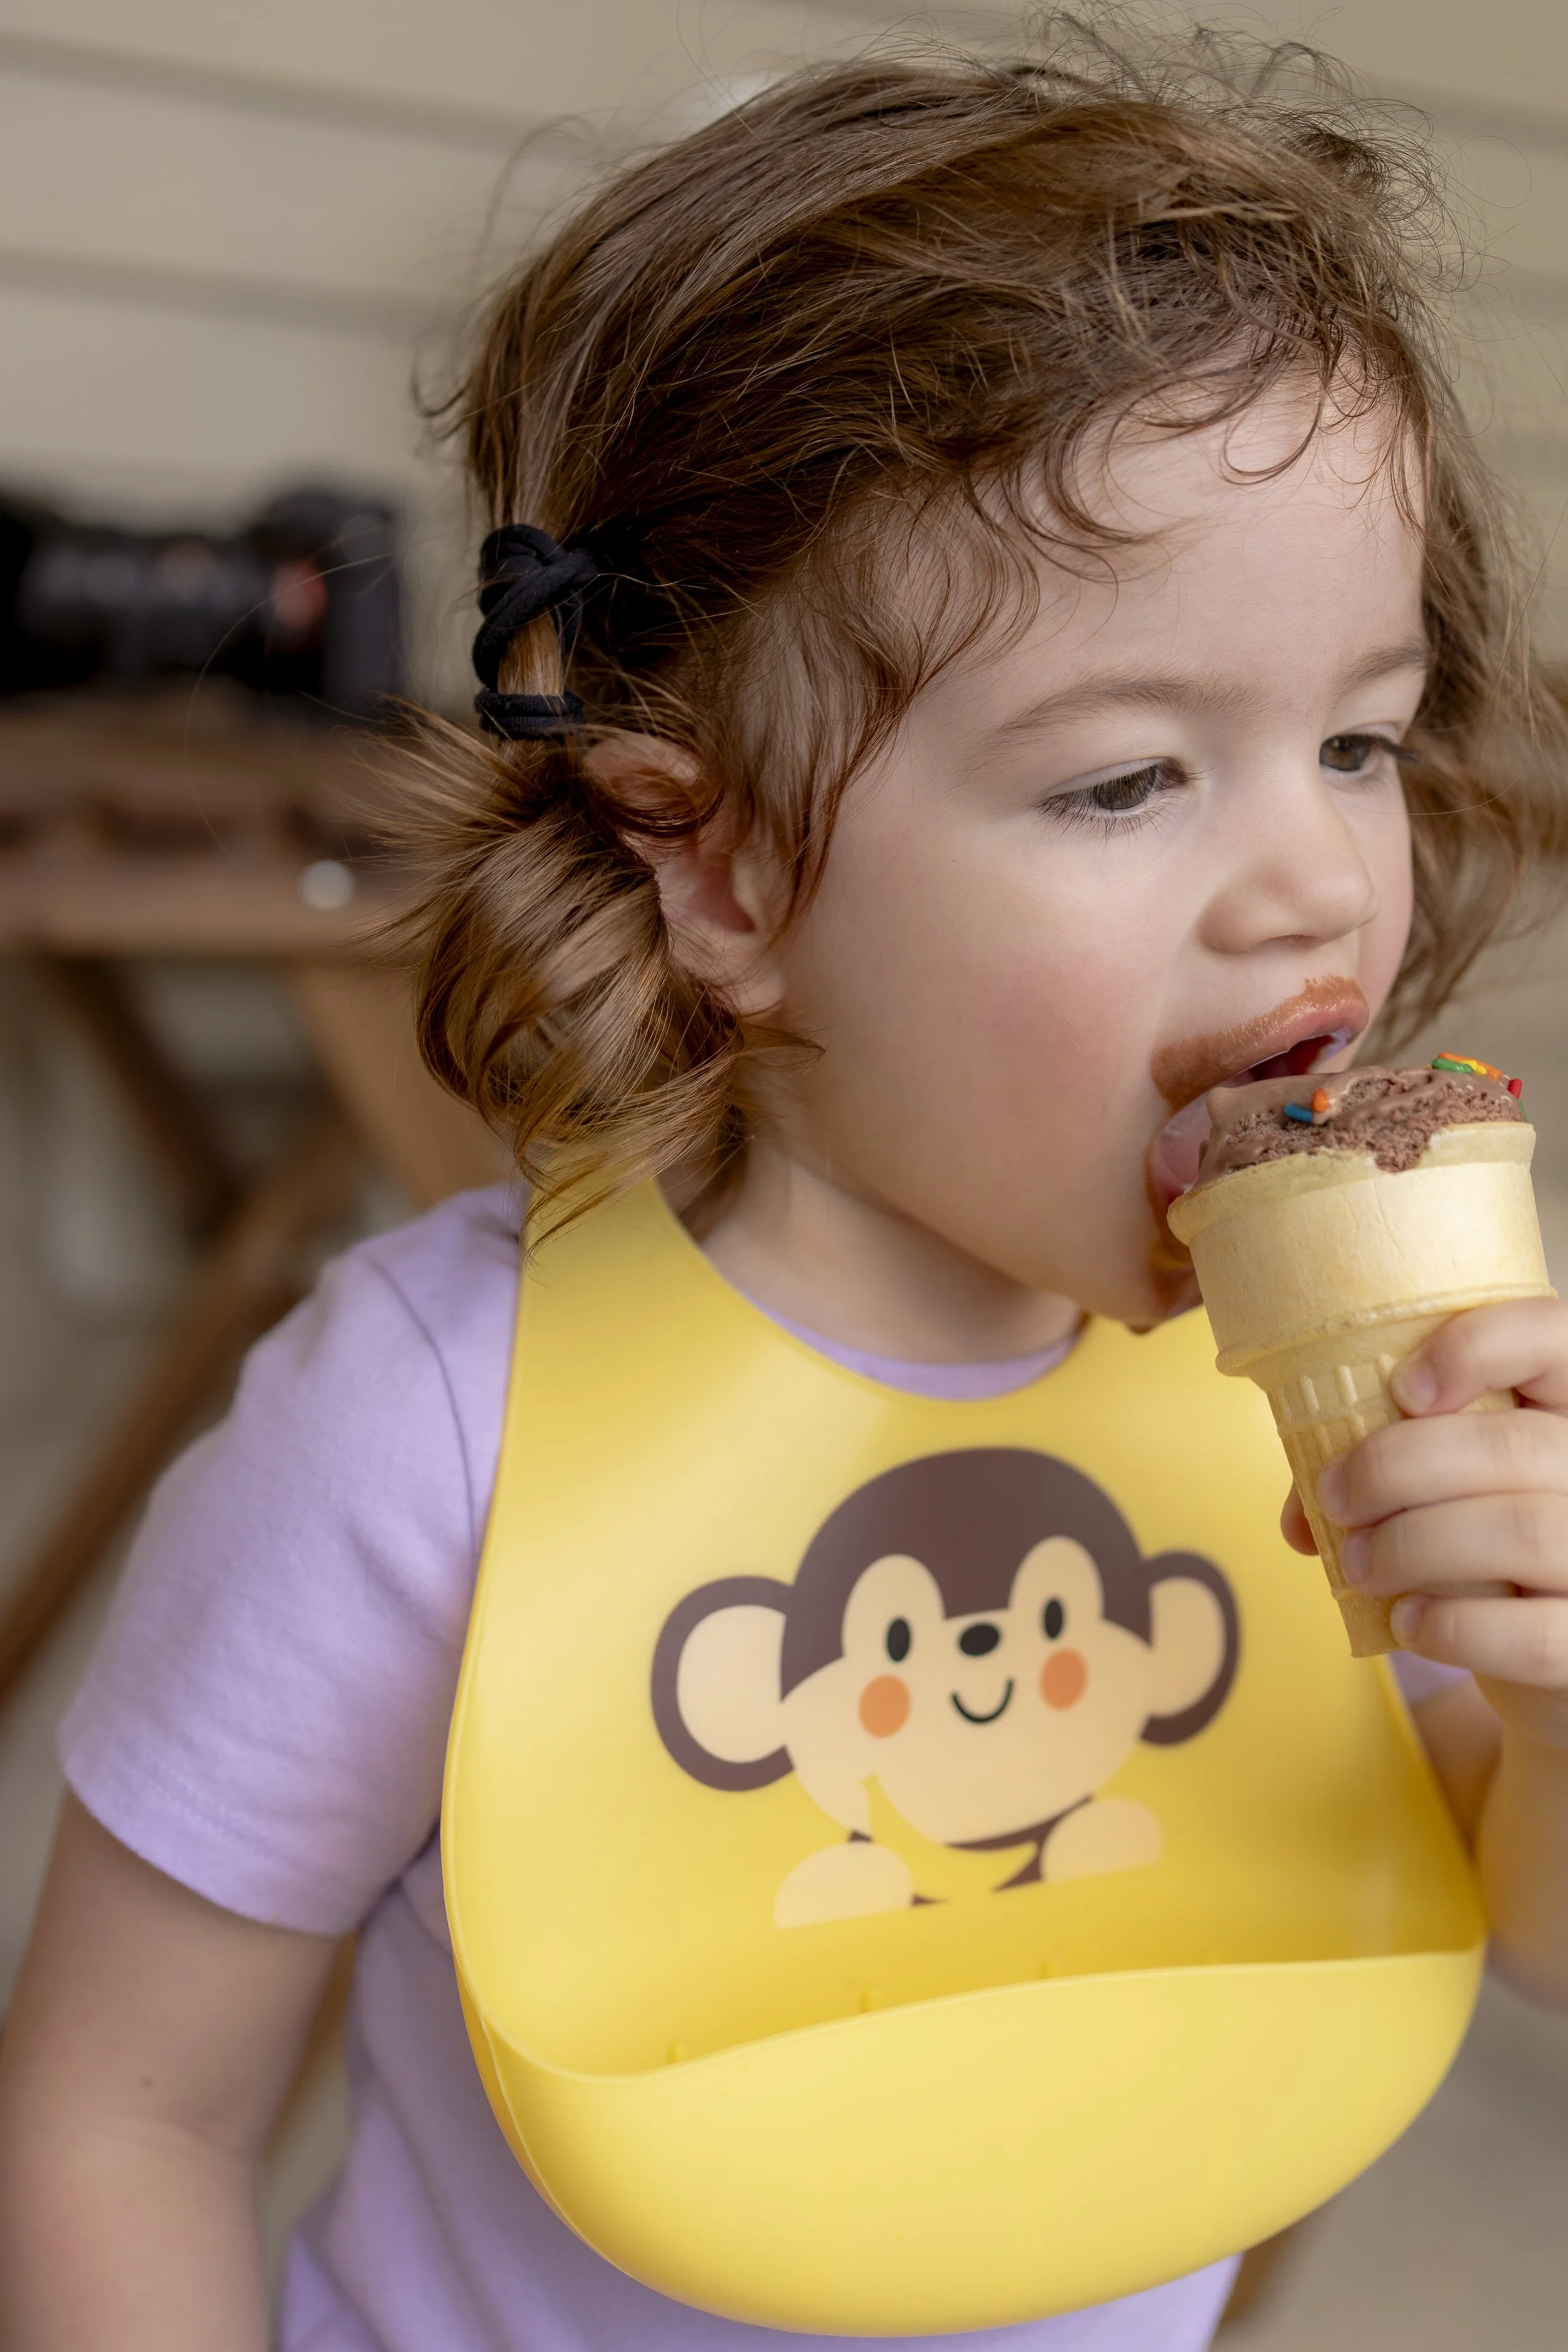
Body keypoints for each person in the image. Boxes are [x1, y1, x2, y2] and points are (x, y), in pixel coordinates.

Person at [4, 21, 1568, 2352]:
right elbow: (121, 2114)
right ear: (714, 860)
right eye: (1129, 777)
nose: (1312, 886)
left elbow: (1508, 1929)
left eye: (1353, 736)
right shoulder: (431, 1428)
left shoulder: (1337, 1401)